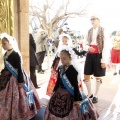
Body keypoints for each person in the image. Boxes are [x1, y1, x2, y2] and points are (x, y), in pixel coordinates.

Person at [44, 47, 98, 120]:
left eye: (64, 58)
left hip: (70, 93)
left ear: (70, 58)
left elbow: (75, 86)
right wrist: (54, 90)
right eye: (61, 58)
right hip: (59, 91)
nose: (62, 60)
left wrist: (76, 99)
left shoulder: (73, 70)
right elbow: (58, 81)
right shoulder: (60, 68)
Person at [0, 33, 41, 119]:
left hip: (16, 78)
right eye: (2, 43)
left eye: (4, 43)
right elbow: (5, 66)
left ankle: (20, 113)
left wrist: (21, 81)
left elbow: (19, 68)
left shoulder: (16, 54)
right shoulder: (5, 54)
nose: (2, 45)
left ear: (10, 43)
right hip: (6, 77)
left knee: (19, 96)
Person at [83, 14, 108, 103]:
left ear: (99, 20)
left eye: (94, 19)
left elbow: (106, 46)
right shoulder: (88, 31)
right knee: (86, 75)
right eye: (91, 19)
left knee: (98, 76)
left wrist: (104, 61)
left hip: (99, 55)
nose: (92, 21)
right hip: (89, 55)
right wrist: (87, 48)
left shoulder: (103, 30)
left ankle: (96, 95)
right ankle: (90, 93)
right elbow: (84, 43)